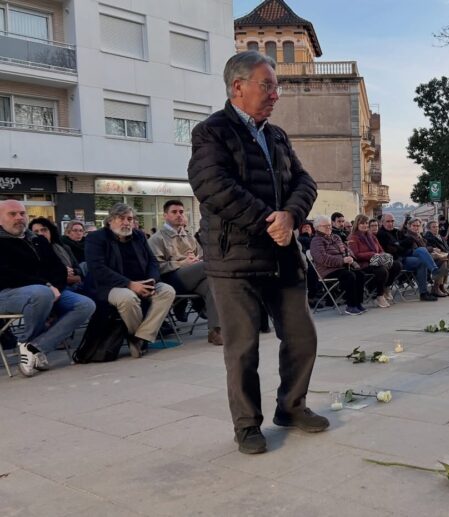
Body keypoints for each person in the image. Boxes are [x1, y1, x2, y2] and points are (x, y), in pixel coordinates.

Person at [188, 51, 326, 455]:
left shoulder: (276, 136)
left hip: (282, 255)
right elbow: (212, 186)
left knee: (302, 336)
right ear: (238, 87)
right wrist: (272, 221)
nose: (275, 95)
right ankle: (247, 425)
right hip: (234, 260)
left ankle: (292, 406)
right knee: (243, 347)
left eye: (276, 86)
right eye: (268, 85)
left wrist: (291, 214)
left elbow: (305, 182)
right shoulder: (211, 132)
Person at [0, 200, 95, 376]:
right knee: (41, 293)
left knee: (86, 305)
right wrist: (47, 286)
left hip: (45, 292)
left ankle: (34, 347)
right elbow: (7, 274)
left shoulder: (38, 240)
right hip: (7, 293)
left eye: (22, 213)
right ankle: (28, 343)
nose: (19, 217)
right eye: (12, 214)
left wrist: (56, 287)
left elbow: (58, 268)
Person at [84, 203, 176, 358]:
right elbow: (98, 269)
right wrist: (130, 284)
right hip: (111, 286)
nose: (127, 222)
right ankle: (137, 340)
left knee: (167, 291)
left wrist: (152, 280)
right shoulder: (96, 238)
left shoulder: (139, 235)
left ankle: (141, 337)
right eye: (121, 218)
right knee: (128, 298)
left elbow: (152, 262)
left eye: (130, 219)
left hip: (142, 282)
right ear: (110, 220)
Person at [148, 200, 222, 346]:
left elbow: (202, 257)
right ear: (165, 216)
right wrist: (183, 263)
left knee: (212, 285)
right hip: (171, 279)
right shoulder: (157, 238)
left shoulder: (189, 237)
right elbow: (157, 267)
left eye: (181, 212)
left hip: (195, 275)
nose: (179, 215)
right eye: (174, 212)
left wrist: (196, 259)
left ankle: (215, 330)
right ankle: (195, 307)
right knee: (210, 265)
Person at [310, 215, 367, 315]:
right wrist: (343, 260)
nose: (329, 228)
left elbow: (346, 250)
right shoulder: (316, 241)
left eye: (330, 225)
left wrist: (351, 260)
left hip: (342, 267)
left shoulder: (335, 237)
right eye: (325, 226)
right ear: (317, 227)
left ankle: (358, 303)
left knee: (360, 274)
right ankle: (351, 305)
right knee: (349, 276)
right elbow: (322, 259)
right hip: (327, 270)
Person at [377, 213, 439, 301]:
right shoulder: (381, 234)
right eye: (388, 221)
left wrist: (399, 244)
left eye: (392, 221)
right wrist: (401, 244)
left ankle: (433, 269)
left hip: (406, 254)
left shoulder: (396, 231)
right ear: (382, 222)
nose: (390, 223)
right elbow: (393, 249)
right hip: (396, 260)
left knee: (421, 250)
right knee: (421, 262)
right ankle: (424, 292)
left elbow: (408, 242)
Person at [349, 214, 401, 307]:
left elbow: (380, 250)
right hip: (363, 264)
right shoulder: (353, 237)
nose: (365, 225)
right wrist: (371, 254)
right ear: (357, 224)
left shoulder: (371, 236)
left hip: (376, 260)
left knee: (396, 265)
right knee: (382, 270)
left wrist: (383, 255)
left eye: (366, 223)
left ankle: (386, 287)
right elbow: (356, 255)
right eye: (362, 223)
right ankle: (379, 296)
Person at [29, 218, 83, 290]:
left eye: (44, 230)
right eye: (36, 232)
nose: (40, 234)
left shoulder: (63, 247)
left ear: (51, 231)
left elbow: (79, 269)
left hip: (75, 284)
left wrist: (73, 271)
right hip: (54, 288)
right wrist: (63, 273)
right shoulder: (32, 250)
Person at [406, 218, 449, 297]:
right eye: (414, 226)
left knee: (445, 261)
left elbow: (426, 248)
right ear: (409, 226)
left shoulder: (419, 235)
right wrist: (432, 249)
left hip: (425, 258)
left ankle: (438, 287)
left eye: (418, 226)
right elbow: (417, 249)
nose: (416, 227)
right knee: (423, 251)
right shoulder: (408, 236)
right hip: (412, 258)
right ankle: (434, 271)